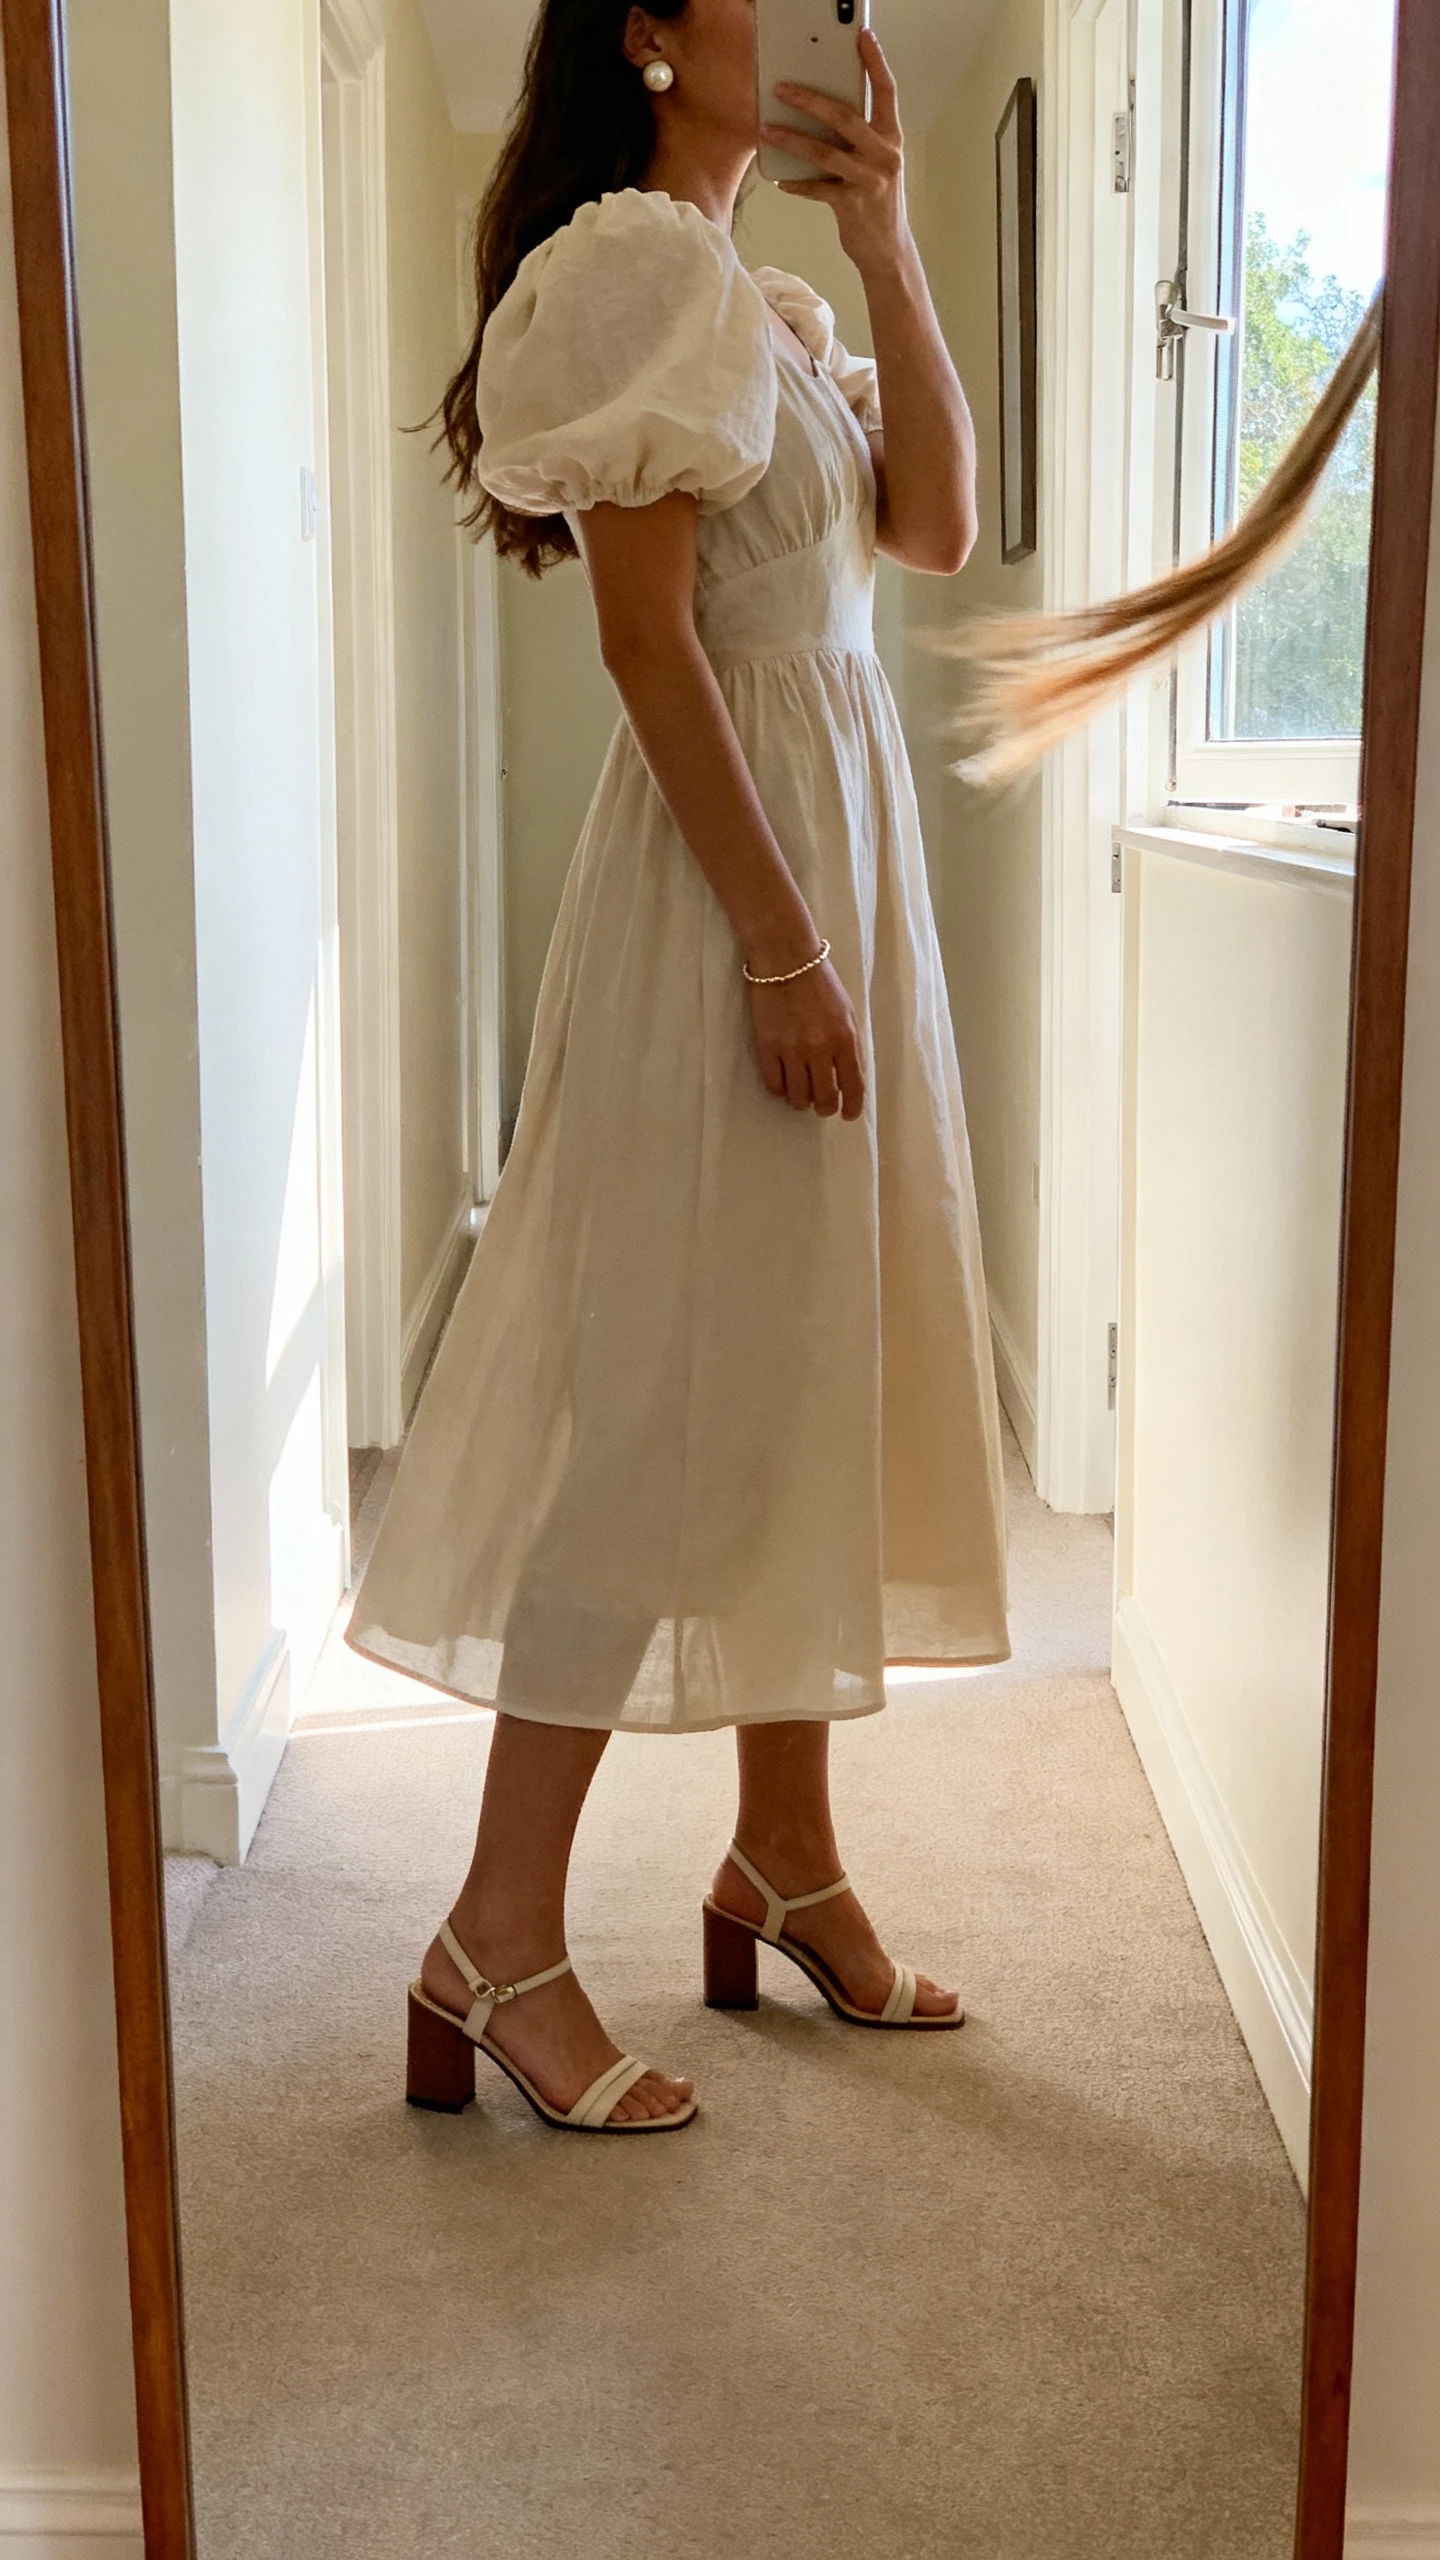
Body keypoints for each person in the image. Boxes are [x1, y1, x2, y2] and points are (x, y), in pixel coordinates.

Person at [348, 0, 1009, 2135]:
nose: (827, 13)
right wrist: (782, 943)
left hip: (826, 862)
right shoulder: (636, 265)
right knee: (655, 1394)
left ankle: (786, 1857)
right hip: (737, 908)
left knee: (795, 1366)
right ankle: (495, 1932)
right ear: (649, 32)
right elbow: (648, 643)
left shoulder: (764, 291)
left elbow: (934, 534)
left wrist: (896, 238)